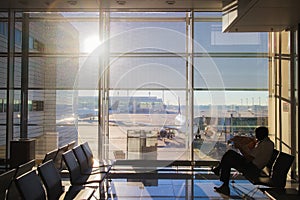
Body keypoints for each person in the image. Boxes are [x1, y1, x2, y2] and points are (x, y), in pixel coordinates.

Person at [212, 126, 274, 196]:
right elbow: (252, 155)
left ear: (262, 134)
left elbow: (249, 157)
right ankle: (220, 174)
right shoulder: (265, 143)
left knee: (229, 156)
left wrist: (240, 148)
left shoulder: (264, 144)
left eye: (257, 134)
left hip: (253, 168)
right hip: (252, 165)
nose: (256, 136)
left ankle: (220, 173)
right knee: (229, 156)